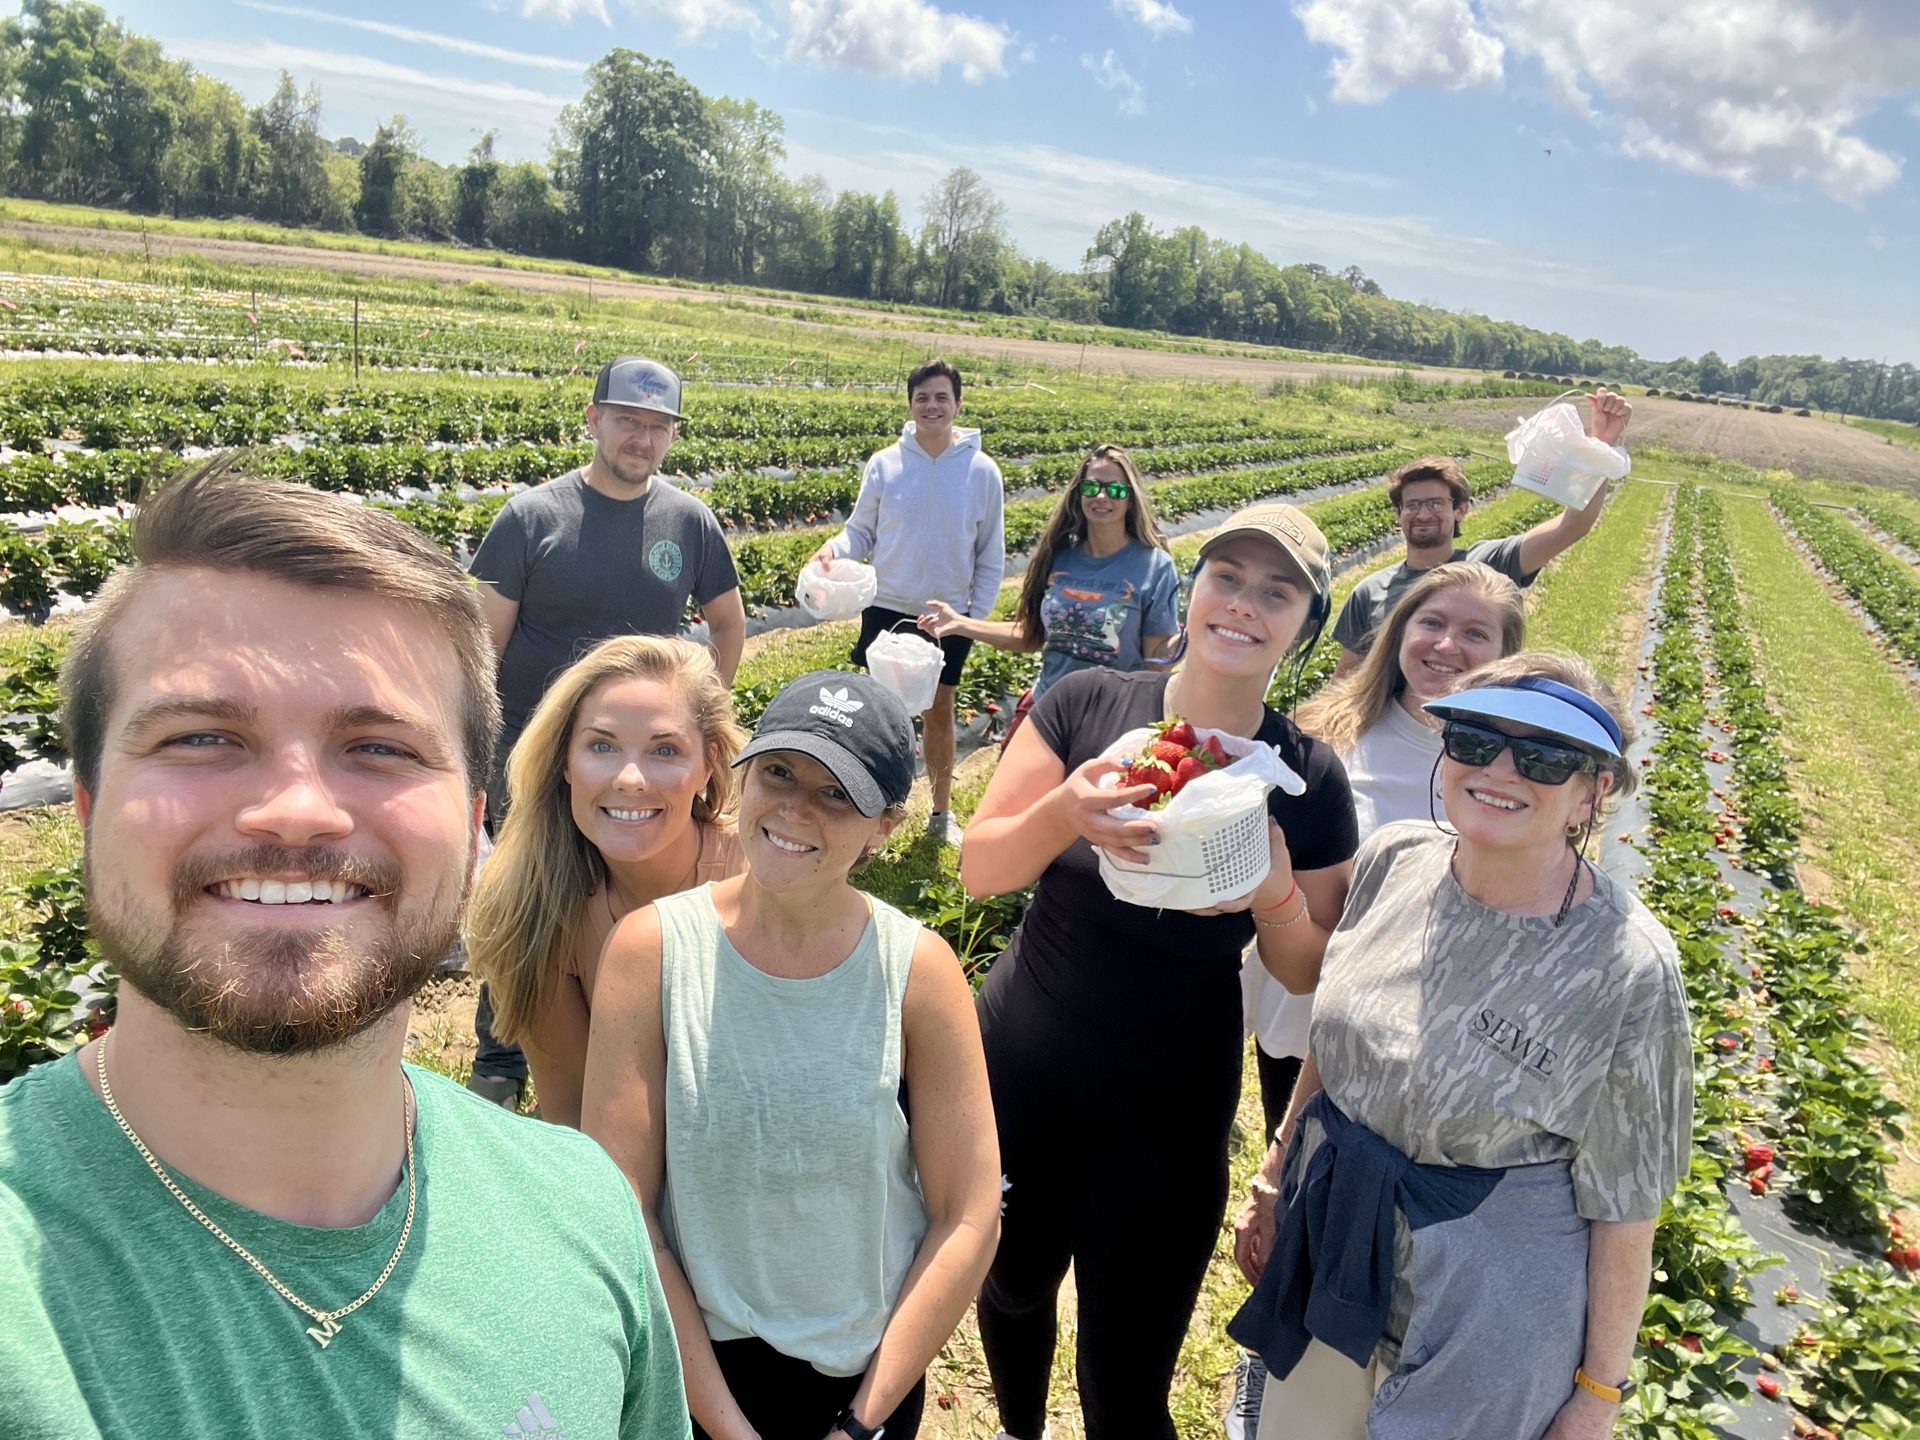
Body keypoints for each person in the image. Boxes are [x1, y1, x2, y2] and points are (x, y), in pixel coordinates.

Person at [0, 465, 687, 1439]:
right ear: (87, 809)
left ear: (473, 826)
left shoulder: (585, 1215)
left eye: (380, 748)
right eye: (201, 738)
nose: (297, 811)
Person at [959, 502, 1359, 1440]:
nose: (1245, 604)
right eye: (1229, 577)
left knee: (1128, 1375)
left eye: (1278, 592)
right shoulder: (1087, 705)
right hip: (1025, 1066)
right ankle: (1019, 1431)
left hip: (1170, 1103)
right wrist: (1066, 811)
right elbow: (982, 869)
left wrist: (1273, 894)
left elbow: (1307, 972)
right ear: (1193, 589)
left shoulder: (1306, 778)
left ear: (1306, 622)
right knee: (1010, 1288)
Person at [1230, 653, 1692, 1440]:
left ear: (1593, 792)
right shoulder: (1394, 861)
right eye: (1477, 740)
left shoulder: (1627, 966)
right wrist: (1274, 1180)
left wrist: (1597, 1397)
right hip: (1332, 1255)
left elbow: (1626, 1204)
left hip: (1486, 1313)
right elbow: (1337, 1046)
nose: (1500, 770)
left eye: (1544, 757)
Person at [581, 670, 1001, 1440]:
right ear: (743, 779)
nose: (796, 808)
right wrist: (728, 1428)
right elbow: (625, 1209)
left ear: (884, 826)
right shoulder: (652, 952)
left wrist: (862, 1424)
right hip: (695, 1370)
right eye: (779, 772)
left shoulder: (917, 972)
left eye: (837, 793)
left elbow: (966, 1216)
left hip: (861, 1381)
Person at [1225, 561, 1525, 1438]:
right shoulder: (1331, 732)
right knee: (1297, 1181)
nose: (1447, 646)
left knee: (1387, 1218)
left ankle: (1365, 1374)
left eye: (1477, 634)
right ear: (1397, 633)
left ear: (1507, 658)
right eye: (1432, 623)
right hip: (1303, 1004)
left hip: (1422, 1042)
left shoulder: (1505, 770)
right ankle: (1274, 1360)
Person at [466, 354, 747, 1108]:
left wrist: (698, 718)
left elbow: (727, 623)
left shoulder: (688, 521)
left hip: (639, 759)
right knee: (532, 895)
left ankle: (629, 1049)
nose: (641, 439)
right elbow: (482, 651)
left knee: (628, 888)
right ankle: (503, 1055)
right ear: (594, 420)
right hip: (536, 758)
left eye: (658, 427)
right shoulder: (531, 519)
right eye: (628, 421)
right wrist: (477, 757)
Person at [463, 635, 747, 1129]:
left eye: (665, 749)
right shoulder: (534, 910)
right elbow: (576, 1116)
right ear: (565, 762)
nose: (630, 778)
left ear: (708, 764)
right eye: (602, 745)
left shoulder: (761, 876)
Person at [812, 358, 1006, 847]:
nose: (932, 406)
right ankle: (870, 807)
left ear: (958, 404)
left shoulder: (982, 472)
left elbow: (991, 552)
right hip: (886, 605)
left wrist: (972, 617)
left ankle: (940, 813)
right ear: (910, 405)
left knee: (938, 710)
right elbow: (861, 530)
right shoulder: (886, 463)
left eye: (941, 397)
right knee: (877, 709)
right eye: (922, 398)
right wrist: (834, 549)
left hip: (945, 614)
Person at [1329, 390, 1631, 678]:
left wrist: (1600, 446)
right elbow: (1346, 679)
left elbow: (1572, 526)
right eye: (1412, 505)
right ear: (1399, 514)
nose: (1423, 514)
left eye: (1436, 503)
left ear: (1460, 510)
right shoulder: (1370, 592)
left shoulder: (1486, 565)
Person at [918, 443, 1178, 749]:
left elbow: (1156, 663)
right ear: (1078, 494)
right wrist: (960, 623)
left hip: (1113, 722)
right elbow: (1031, 636)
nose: (1101, 496)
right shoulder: (1059, 557)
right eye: (1091, 487)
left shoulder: (1154, 567)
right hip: (1049, 711)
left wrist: (1191, 637)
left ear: (1130, 499)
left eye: (1116, 490)